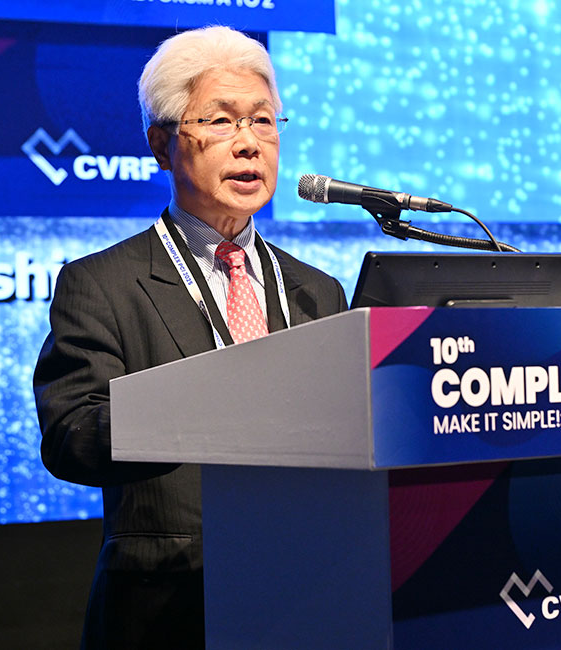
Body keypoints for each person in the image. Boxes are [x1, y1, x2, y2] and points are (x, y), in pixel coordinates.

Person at [33, 26, 347, 648]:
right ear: (161, 144)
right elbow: (71, 437)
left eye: (263, 121)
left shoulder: (319, 291)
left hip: (311, 591)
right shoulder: (101, 284)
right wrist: (204, 400)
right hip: (168, 608)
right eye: (221, 120)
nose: (249, 143)